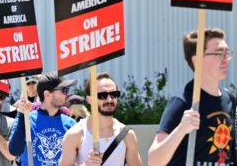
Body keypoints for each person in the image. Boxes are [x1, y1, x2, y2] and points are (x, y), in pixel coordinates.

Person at [148, 28, 234, 166]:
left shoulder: (230, 99)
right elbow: (154, 161)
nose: (226, 59)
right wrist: (181, 129)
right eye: (219, 53)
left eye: (227, 53)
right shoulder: (183, 100)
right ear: (196, 60)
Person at [59, 72, 142, 166]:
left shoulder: (127, 135)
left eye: (114, 94)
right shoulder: (75, 134)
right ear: (89, 99)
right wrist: (86, 165)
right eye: (102, 95)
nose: (109, 100)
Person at [9, 71, 77, 166]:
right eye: (64, 90)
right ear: (47, 94)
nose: (67, 94)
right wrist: (21, 113)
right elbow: (14, 151)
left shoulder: (71, 124)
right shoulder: (26, 120)